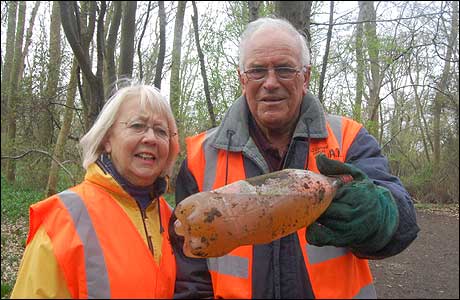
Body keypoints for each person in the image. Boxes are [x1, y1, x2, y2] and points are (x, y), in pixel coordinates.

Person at [169, 17, 419, 299]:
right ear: (242, 79)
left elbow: (405, 223)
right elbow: (189, 272)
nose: (271, 83)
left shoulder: (348, 138)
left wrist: (378, 214)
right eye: (257, 71)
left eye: (285, 69)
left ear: (305, 77)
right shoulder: (201, 156)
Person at [11, 80, 180, 298]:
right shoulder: (64, 220)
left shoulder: (172, 220)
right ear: (107, 139)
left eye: (161, 131)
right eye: (137, 126)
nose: (150, 138)